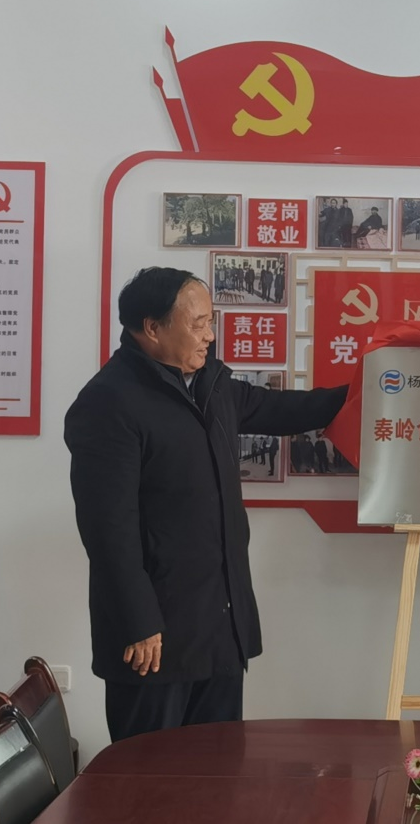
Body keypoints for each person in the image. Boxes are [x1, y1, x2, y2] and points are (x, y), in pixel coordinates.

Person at [65, 267, 348, 742]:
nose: (210, 335)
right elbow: (107, 529)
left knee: (218, 770)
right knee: (149, 773)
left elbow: (287, 410)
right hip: (154, 638)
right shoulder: (108, 403)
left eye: (210, 321)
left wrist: (375, 388)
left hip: (219, 625)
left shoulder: (211, 386)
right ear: (152, 328)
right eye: (197, 324)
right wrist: (138, 621)